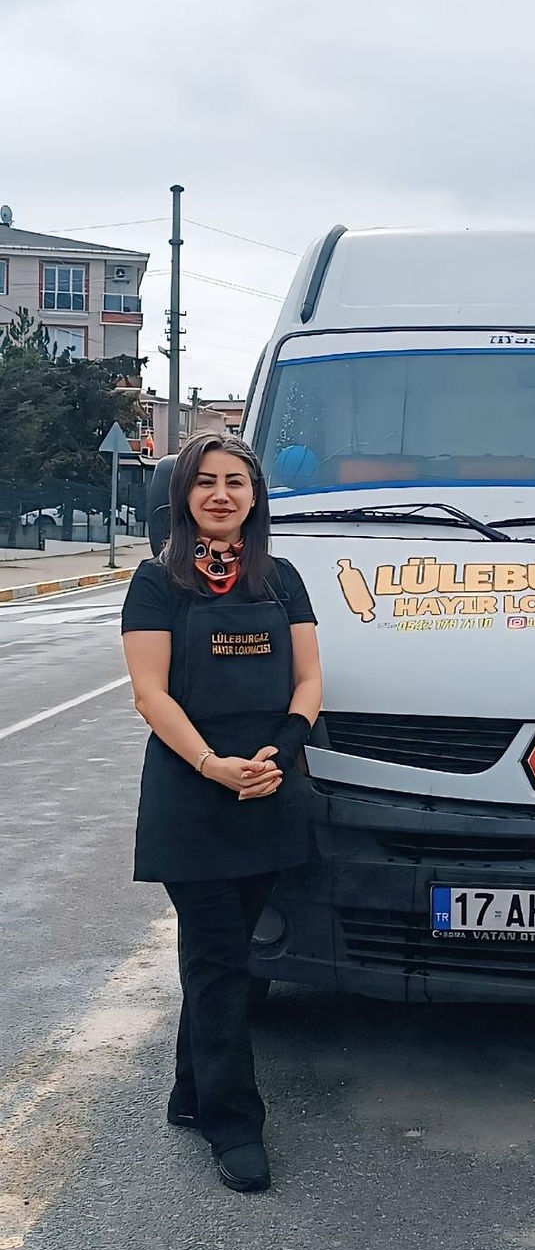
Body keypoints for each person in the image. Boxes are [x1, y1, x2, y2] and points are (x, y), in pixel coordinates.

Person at [121, 433, 322, 1193]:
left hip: (268, 788)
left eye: (235, 481)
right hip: (192, 795)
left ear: (255, 495)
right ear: (183, 495)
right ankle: (234, 1124)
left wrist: (280, 752)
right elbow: (150, 694)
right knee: (218, 962)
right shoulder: (156, 582)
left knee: (224, 953)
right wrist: (211, 764)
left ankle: (190, 1091)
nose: (220, 494)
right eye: (204, 481)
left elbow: (309, 680)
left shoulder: (282, 579)